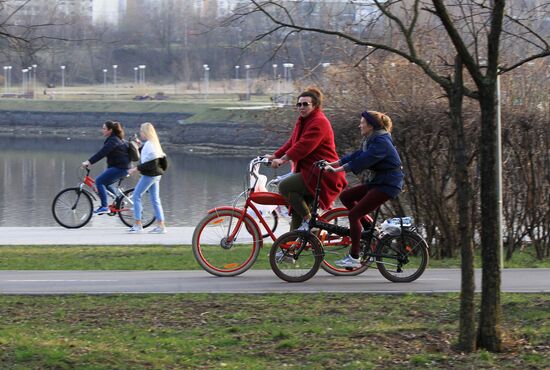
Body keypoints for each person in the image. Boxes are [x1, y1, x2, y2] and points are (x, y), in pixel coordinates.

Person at [323, 110, 404, 268]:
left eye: (362, 122)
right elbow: (355, 155)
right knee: (346, 197)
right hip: (379, 182)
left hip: (388, 184)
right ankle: (369, 229)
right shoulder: (372, 139)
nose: (359, 125)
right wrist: (331, 164)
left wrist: (337, 170)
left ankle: (354, 256)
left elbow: (363, 160)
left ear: (371, 125)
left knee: (354, 214)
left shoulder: (381, 142)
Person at [266, 87, 347, 231]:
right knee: (298, 212)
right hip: (311, 172)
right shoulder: (303, 121)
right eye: (299, 104)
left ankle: (310, 222)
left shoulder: (319, 122)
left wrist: (282, 160)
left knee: (285, 187)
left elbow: (304, 146)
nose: (301, 107)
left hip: (322, 174)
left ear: (314, 105)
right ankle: (289, 251)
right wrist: (275, 156)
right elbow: (293, 142)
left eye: (305, 104)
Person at [82, 120, 131, 214]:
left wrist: (89, 162)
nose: (102, 130)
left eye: (104, 128)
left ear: (110, 130)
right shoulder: (115, 139)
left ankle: (104, 206)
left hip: (120, 168)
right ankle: (120, 201)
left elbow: (102, 153)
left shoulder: (113, 140)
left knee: (99, 181)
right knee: (106, 184)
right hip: (122, 167)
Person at [127, 122, 167, 234]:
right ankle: (161, 226)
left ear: (146, 132)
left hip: (150, 174)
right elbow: (147, 156)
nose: (140, 133)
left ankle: (138, 224)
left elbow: (152, 163)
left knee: (136, 195)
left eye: (141, 131)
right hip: (156, 175)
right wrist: (139, 145)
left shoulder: (150, 145)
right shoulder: (152, 143)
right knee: (155, 199)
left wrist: (136, 169)